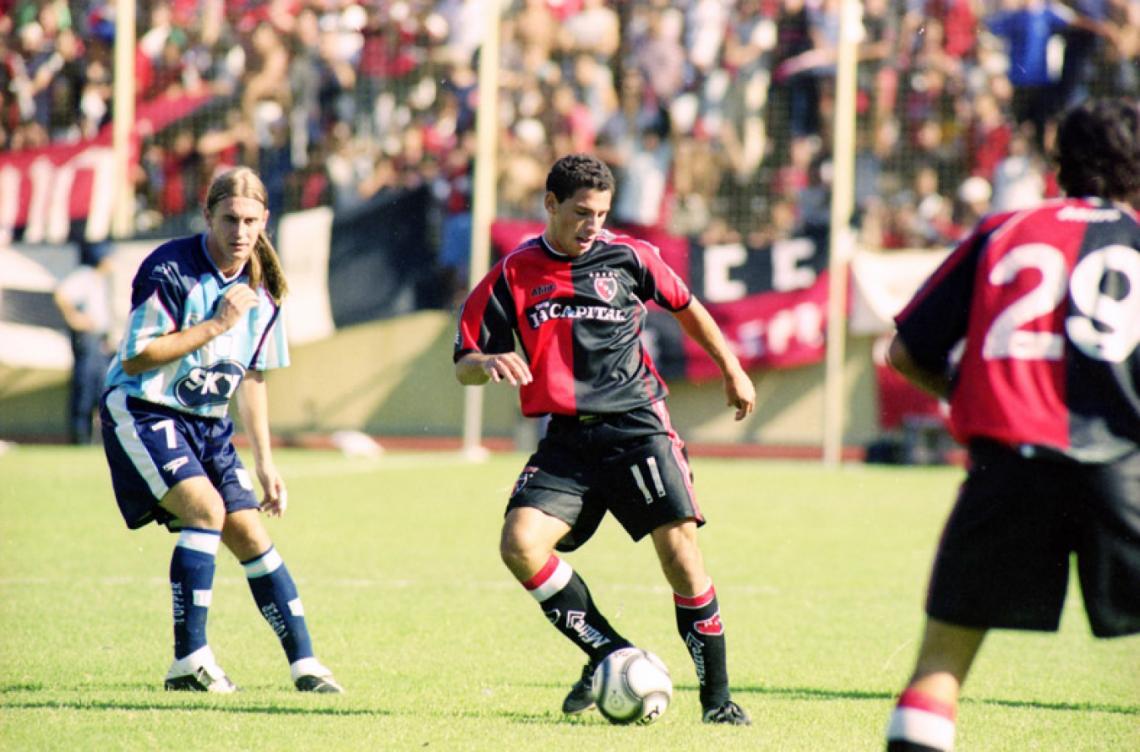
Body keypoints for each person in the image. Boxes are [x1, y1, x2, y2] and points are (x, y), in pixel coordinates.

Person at [453, 153, 756, 725]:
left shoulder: (631, 257)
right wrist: (488, 361)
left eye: (602, 213)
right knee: (519, 544)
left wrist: (732, 370)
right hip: (567, 440)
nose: (593, 224)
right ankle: (611, 654)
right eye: (581, 212)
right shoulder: (513, 273)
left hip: (638, 427)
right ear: (550, 205)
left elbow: (688, 308)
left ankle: (718, 701)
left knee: (681, 556)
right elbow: (464, 362)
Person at [882, 98, 1140, 751]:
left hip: (1007, 465)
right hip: (1126, 472)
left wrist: (972, 393)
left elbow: (906, 352)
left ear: (1059, 164)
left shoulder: (1005, 231)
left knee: (938, 669)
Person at [99, 166, 342, 694]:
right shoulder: (170, 268)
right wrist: (214, 326)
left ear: (265, 221)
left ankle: (306, 665)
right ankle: (188, 662)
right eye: (229, 218)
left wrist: (265, 462)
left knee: (252, 534)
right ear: (207, 215)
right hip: (145, 409)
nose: (240, 231)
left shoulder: (267, 288)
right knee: (205, 512)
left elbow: (252, 377)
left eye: (251, 220)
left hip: (209, 425)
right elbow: (138, 357)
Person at [54, 239, 114, 444]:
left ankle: (92, 435)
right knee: (85, 385)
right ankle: (79, 436)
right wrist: (74, 318)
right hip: (87, 338)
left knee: (101, 387)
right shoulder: (85, 276)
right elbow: (61, 295)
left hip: (100, 338)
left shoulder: (100, 279)